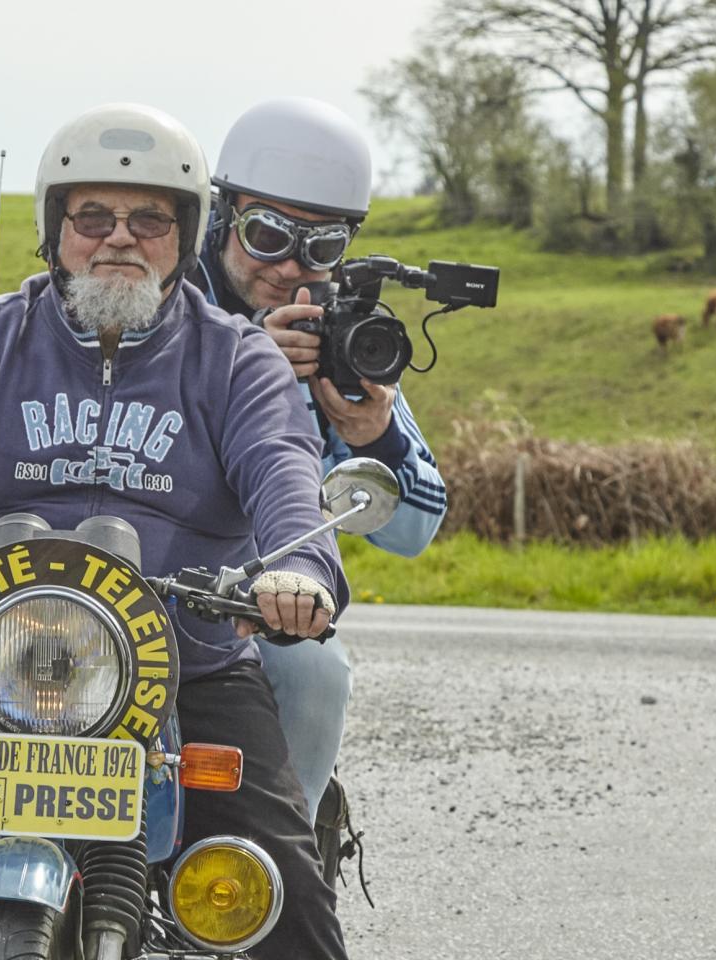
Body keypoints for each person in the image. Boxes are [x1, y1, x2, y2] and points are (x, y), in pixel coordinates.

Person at [0, 103, 349, 959]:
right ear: (56, 231)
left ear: (184, 235)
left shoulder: (238, 359)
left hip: (186, 667)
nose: (119, 239)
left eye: (149, 219)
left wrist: (297, 568)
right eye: (92, 217)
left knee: (280, 895)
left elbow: (284, 472)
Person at [192, 97, 449, 826]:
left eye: (324, 246)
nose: (292, 266)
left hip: (255, 599)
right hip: (136, 569)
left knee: (313, 669)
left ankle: (283, 856)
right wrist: (243, 371)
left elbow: (414, 531)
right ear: (222, 217)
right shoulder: (172, 303)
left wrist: (371, 434)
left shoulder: (337, 339)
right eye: (268, 234)